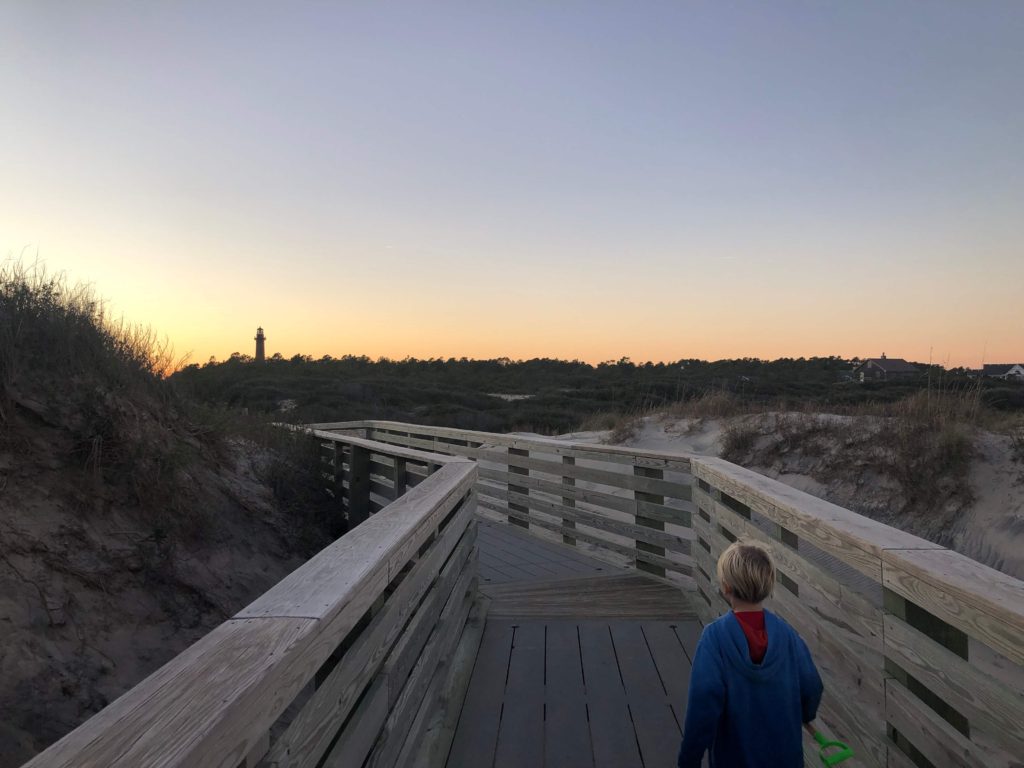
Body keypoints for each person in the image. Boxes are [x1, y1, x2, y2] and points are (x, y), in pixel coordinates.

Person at [677, 539, 823, 767]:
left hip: (735, 757)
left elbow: (703, 699)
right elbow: (811, 685)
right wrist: (805, 713)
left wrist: (689, 758)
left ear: (726, 587)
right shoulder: (787, 635)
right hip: (786, 757)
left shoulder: (714, 637)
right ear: (769, 585)